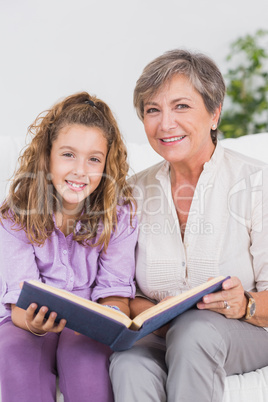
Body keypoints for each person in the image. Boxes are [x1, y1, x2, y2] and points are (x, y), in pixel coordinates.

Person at [109, 49, 268, 401]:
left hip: (245, 331)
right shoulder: (131, 192)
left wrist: (244, 303)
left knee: (195, 332)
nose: (165, 123)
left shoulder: (257, 183)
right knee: (127, 364)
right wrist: (151, 315)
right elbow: (124, 290)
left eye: (181, 106)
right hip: (160, 333)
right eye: (153, 110)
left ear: (214, 113)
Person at [0, 92, 138, 402]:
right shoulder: (15, 216)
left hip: (88, 321)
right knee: (12, 350)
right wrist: (33, 323)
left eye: (93, 159)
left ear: (106, 164)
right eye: (68, 155)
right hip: (28, 320)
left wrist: (111, 315)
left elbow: (114, 289)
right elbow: (19, 299)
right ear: (47, 156)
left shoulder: (120, 215)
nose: (80, 170)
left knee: (84, 355)